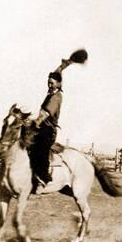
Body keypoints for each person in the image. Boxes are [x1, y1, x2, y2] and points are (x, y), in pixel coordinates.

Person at [28, 59, 72, 193]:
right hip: (41, 126)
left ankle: (43, 178)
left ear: (58, 84)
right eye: (48, 82)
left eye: (51, 83)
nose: (49, 84)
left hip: (48, 130)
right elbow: (56, 73)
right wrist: (63, 66)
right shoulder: (51, 92)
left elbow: (46, 113)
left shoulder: (57, 96)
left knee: (40, 148)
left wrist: (36, 122)